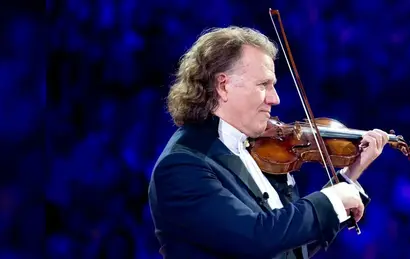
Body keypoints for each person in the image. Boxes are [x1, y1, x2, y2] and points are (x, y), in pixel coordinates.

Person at [147, 26, 390, 259]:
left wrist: (349, 176)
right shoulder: (183, 164)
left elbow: (289, 246)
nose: (275, 99)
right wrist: (332, 200)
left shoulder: (256, 150)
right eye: (264, 85)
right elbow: (255, 238)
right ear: (223, 86)